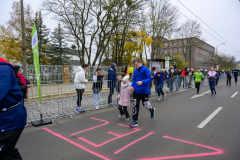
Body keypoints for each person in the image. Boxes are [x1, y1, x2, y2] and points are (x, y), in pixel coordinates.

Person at [0, 58, 27, 160]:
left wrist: (26, 85)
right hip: (5, 117)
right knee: (9, 152)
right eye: (19, 70)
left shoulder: (3, 68)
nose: (20, 71)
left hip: (10, 118)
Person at [129, 58, 155, 127]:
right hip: (136, 91)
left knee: (146, 104)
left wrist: (142, 81)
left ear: (140, 63)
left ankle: (152, 110)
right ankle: (135, 121)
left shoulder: (145, 69)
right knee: (135, 105)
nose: (135, 65)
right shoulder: (135, 71)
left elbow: (149, 79)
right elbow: (134, 80)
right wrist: (132, 86)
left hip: (144, 91)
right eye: (134, 64)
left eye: (136, 64)